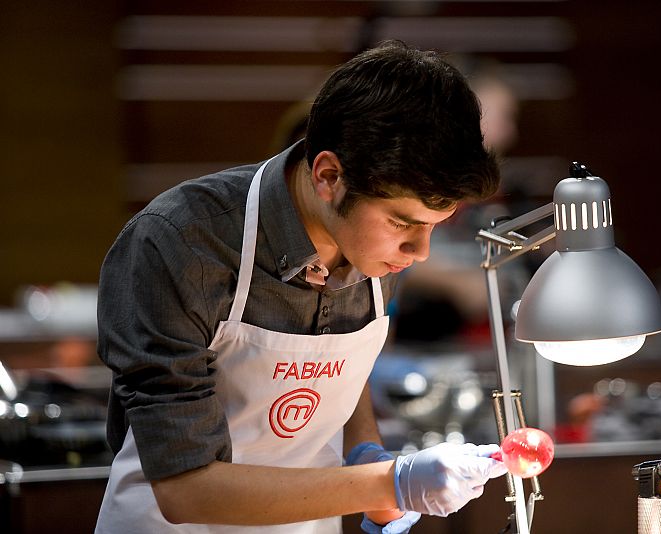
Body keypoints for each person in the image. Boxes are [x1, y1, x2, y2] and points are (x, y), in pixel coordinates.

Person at [94, 41, 507, 534]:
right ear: (329, 176)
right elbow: (185, 489)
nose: (419, 252)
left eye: (435, 225)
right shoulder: (181, 243)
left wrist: (364, 453)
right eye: (403, 223)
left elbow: (335, 371)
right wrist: (387, 482)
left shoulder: (372, 248)